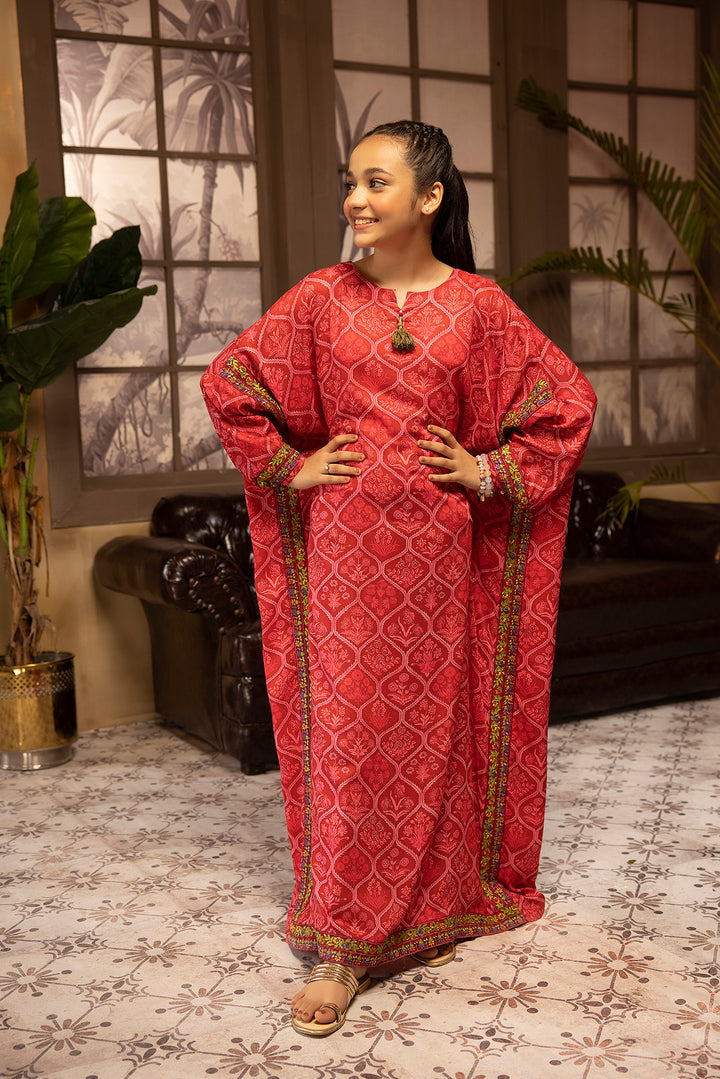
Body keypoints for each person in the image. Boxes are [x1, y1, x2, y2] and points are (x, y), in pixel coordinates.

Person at [201, 120, 596, 1038]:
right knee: (349, 734)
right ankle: (345, 939)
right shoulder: (320, 298)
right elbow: (231, 380)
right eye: (350, 182)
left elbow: (565, 401)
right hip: (345, 550)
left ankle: (428, 906)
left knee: (438, 727)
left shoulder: (479, 307)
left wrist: (486, 471)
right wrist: (287, 466)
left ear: (430, 196)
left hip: (441, 552)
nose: (355, 199)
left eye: (376, 182)